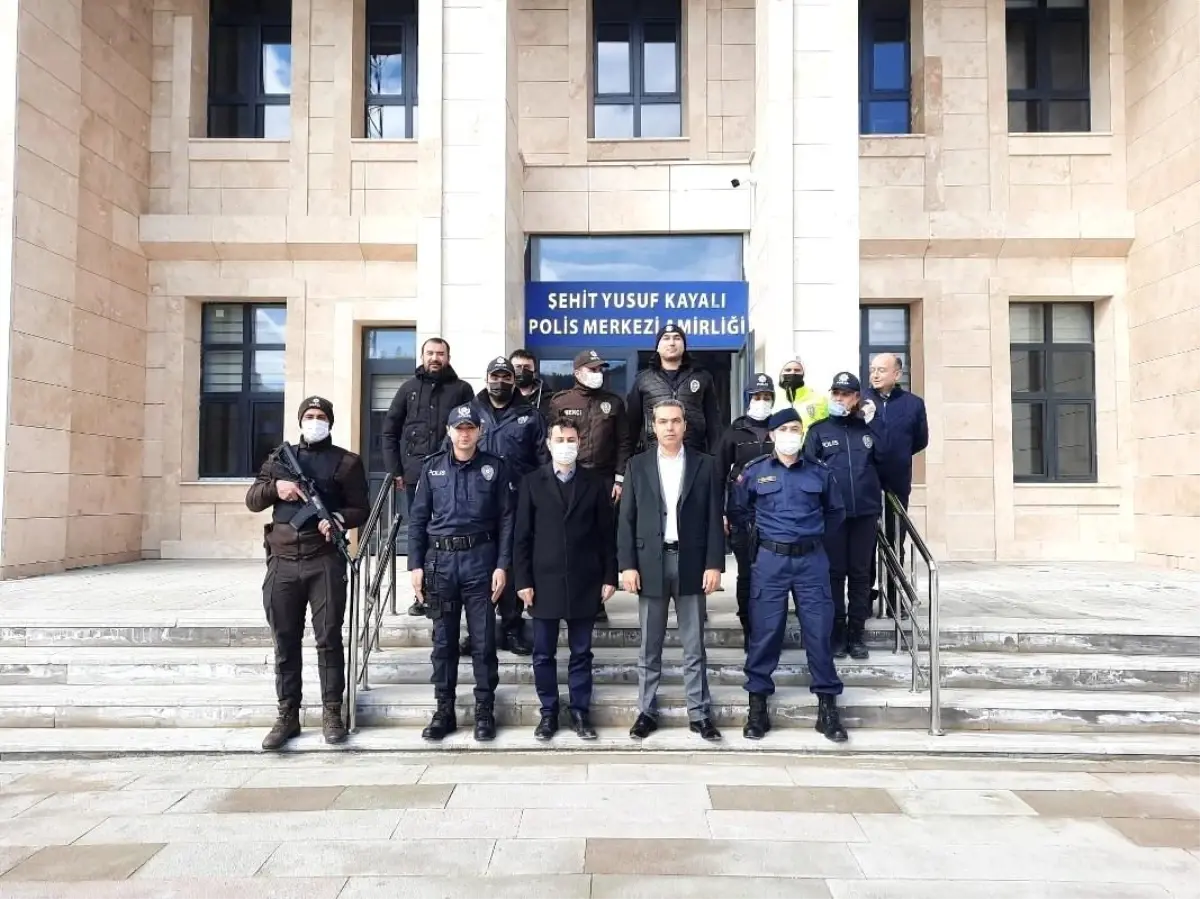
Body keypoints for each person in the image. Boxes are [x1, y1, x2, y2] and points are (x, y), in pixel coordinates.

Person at [245, 396, 370, 750]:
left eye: (321, 417)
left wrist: (338, 520)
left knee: (328, 638)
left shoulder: (346, 462)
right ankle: (287, 714)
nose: (315, 422)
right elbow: (253, 499)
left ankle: (332, 711)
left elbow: (360, 507)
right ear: (301, 421)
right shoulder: (279, 460)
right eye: (309, 416)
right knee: (284, 641)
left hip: (324, 560)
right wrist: (277, 488)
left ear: (330, 422)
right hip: (282, 562)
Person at [728, 406, 848, 743]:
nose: (791, 435)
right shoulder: (754, 471)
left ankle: (827, 709)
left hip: (812, 561)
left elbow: (835, 514)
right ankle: (757, 708)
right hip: (770, 561)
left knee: (819, 633)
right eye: (785, 429)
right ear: (772, 435)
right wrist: (761, 541)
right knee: (765, 633)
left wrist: (813, 539)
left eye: (796, 429)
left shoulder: (820, 472)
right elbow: (738, 510)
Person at [618, 399, 725, 743]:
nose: (669, 427)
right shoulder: (637, 465)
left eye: (675, 421)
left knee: (694, 646)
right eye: (662, 421)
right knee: (649, 646)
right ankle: (646, 711)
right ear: (653, 426)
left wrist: (714, 564)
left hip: (691, 562)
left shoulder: (705, 465)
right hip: (651, 563)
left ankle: (700, 713)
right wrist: (627, 566)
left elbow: (713, 518)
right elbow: (626, 520)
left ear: (684, 425)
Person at [408, 404, 516, 743]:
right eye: (459, 428)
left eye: (471, 427)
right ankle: (444, 710)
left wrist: (502, 564)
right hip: (440, 565)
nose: (465, 433)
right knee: (444, 643)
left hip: (480, 562)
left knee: (483, 642)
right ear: (449, 431)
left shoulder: (494, 469)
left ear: (479, 432)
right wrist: (414, 565)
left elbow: (507, 520)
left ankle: (485, 709)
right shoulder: (432, 469)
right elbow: (418, 520)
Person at [514, 417, 618, 742]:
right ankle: (548, 712)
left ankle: (579, 711)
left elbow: (607, 536)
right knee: (543, 653)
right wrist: (522, 581)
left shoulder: (595, 483)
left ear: (579, 442)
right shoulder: (532, 482)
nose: (566, 445)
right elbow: (522, 538)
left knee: (581, 653)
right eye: (559, 439)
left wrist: (609, 575)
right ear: (548, 444)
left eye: (571, 439)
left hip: (585, 580)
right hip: (542, 582)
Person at [457, 356, 548, 658]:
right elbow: (453, 453)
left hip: (518, 501)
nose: (500, 382)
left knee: (511, 564)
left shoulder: (530, 415)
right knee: (479, 566)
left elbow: (542, 460)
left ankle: (512, 627)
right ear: (486, 379)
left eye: (506, 377)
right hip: (477, 503)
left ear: (514, 381)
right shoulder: (470, 412)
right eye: (495, 376)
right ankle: (477, 630)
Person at [380, 336, 474, 617]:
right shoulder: (408, 389)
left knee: (451, 532)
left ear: (448, 356)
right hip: (415, 476)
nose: (435, 358)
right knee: (420, 532)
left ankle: (454, 590)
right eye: (430, 353)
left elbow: (475, 430)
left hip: (454, 475)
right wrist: (395, 470)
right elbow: (389, 432)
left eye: (441, 353)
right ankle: (422, 593)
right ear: (422, 356)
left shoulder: (462, 389)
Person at [803, 372, 889, 661]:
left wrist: (873, 422)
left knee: (861, 575)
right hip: (832, 517)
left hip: (864, 513)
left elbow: (886, 456)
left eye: (845, 394)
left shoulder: (866, 430)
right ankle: (837, 633)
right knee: (834, 574)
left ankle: (857, 634)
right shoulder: (818, 431)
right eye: (835, 393)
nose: (839, 398)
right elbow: (808, 473)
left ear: (856, 399)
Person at [547, 348, 633, 623]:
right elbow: (549, 439)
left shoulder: (613, 403)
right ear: (577, 372)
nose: (598, 374)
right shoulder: (561, 401)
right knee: (567, 538)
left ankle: (596, 600)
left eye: (600, 370)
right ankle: (562, 597)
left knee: (598, 540)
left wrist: (620, 478)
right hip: (570, 477)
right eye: (593, 369)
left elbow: (624, 443)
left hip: (604, 480)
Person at [863, 353, 929, 617]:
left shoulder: (913, 404)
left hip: (897, 483)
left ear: (896, 374)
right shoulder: (860, 400)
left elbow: (920, 441)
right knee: (864, 543)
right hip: (865, 481)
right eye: (872, 369)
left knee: (894, 541)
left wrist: (896, 455)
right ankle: (863, 600)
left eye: (881, 369)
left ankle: (892, 600)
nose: (875, 374)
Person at [716, 372, 777, 649]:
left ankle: (770, 627)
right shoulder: (734, 432)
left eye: (766, 397)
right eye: (757, 397)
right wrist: (722, 512)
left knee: (772, 573)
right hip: (742, 514)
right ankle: (748, 628)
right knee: (747, 572)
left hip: (776, 515)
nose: (762, 402)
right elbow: (718, 475)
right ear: (748, 400)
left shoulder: (781, 428)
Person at [626, 324, 721, 454]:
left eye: (677, 338)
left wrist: (716, 457)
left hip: (695, 454)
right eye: (666, 338)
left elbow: (713, 423)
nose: (671, 343)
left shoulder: (702, 377)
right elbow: (632, 425)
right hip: (654, 454)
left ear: (684, 345)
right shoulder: (643, 380)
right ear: (658, 347)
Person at [778, 357, 829, 435]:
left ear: (803, 373)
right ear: (781, 373)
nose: (793, 373)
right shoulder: (774, 398)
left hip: (811, 446)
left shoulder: (820, 399)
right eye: (788, 370)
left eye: (797, 370)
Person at [510, 348, 553, 422]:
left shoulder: (549, 400)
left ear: (534, 371)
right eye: (518, 367)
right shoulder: (502, 397)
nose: (522, 370)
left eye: (527, 367)